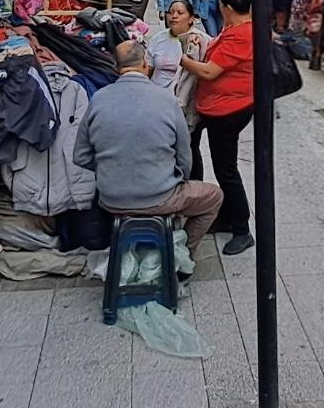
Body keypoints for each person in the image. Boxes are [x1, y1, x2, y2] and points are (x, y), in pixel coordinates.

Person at [72, 39, 224, 251]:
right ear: (145, 64)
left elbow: (80, 156)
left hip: (111, 198)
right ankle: (182, 253)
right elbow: (184, 156)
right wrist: (174, 178)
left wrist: (112, 167)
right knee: (214, 197)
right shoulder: (167, 100)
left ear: (116, 68)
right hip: (160, 196)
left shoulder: (98, 99)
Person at [181, 0, 257, 254]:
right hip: (219, 105)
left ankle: (242, 229)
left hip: (229, 110)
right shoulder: (237, 27)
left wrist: (185, 61)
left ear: (226, 7)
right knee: (220, 165)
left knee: (227, 170)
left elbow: (210, 71)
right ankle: (225, 217)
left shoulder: (242, 34)